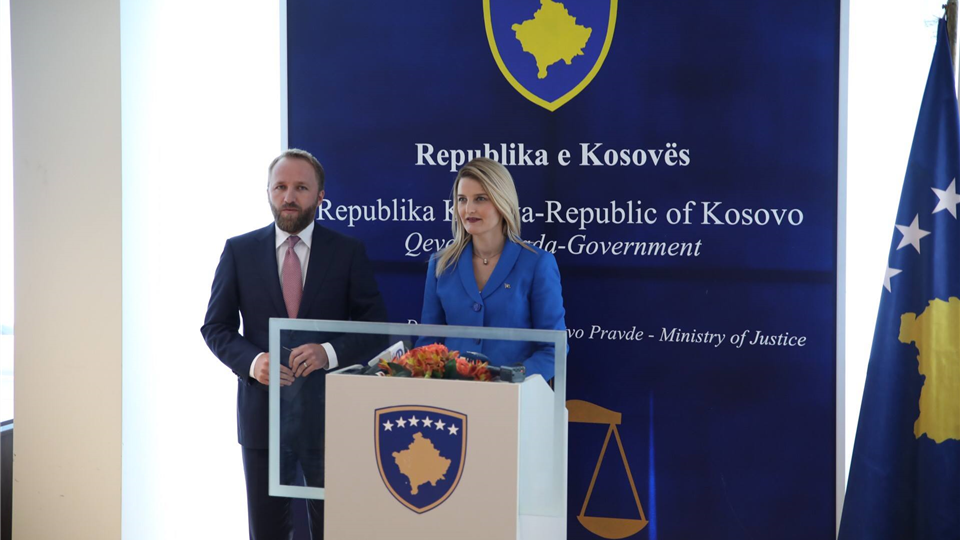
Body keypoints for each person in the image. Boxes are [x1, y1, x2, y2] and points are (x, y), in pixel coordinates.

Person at [201, 149, 387, 540]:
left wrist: (328, 353)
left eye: (301, 188)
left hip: (330, 417)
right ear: (268, 192)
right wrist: (254, 363)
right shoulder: (239, 251)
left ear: (320, 196)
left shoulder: (347, 252)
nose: (289, 196)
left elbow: (375, 328)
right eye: (280, 187)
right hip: (262, 418)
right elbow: (216, 327)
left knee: (336, 530)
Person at [419, 157, 566, 380]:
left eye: (480, 199)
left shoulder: (537, 264)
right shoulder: (441, 264)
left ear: (502, 201)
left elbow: (553, 349)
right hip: (452, 395)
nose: (468, 209)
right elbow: (428, 344)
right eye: (462, 199)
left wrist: (509, 380)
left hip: (515, 394)